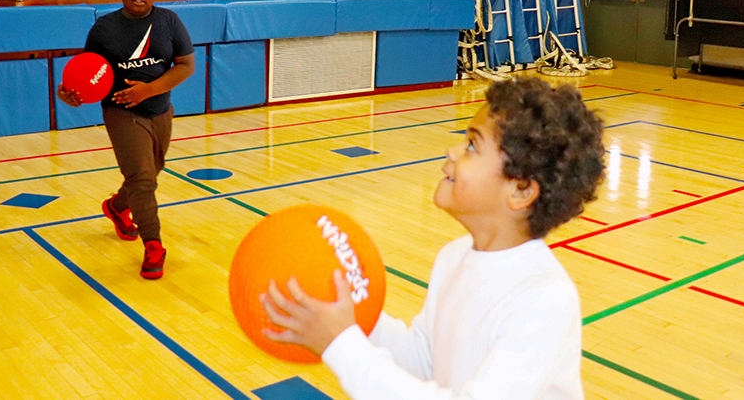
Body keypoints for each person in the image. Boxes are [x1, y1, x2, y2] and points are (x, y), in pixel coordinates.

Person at [260, 77, 606, 399]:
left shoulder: (543, 299)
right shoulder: (454, 255)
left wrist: (342, 344)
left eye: (472, 145)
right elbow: (425, 361)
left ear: (520, 190)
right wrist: (356, 317)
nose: (452, 151)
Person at [57, 0, 195, 279]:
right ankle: (154, 245)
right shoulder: (104, 29)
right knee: (143, 179)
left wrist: (148, 90)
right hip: (121, 111)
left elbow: (186, 65)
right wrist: (70, 93)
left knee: (149, 171)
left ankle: (117, 207)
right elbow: (88, 73)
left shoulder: (169, 22)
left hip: (160, 109)